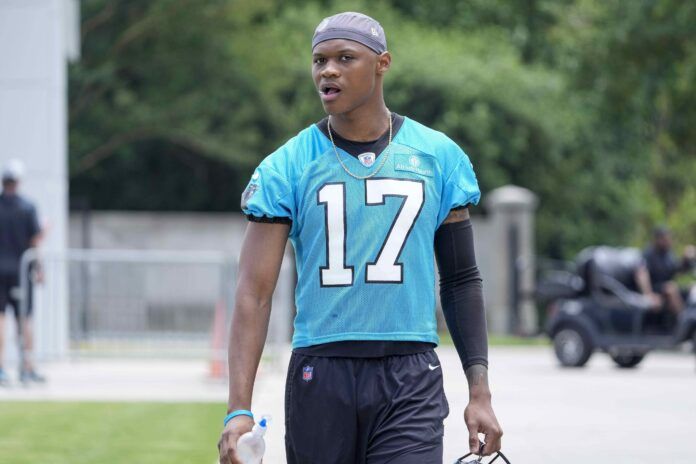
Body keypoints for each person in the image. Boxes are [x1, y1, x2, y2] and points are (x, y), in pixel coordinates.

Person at [218, 12, 502, 464]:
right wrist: (238, 410)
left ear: (382, 63)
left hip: (410, 372)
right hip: (320, 372)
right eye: (319, 60)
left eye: (344, 58)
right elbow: (253, 293)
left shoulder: (438, 157)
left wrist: (479, 392)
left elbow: (462, 279)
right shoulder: (286, 166)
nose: (327, 70)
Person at [0, 159, 45, 385]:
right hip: (19, 271)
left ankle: (1, 368)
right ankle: (27, 366)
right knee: (24, 320)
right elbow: (35, 240)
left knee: (1, 319)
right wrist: (39, 268)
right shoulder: (27, 208)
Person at [640, 226, 696, 314]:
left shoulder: (668, 254)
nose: (669, 241)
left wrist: (686, 260)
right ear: (658, 239)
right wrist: (649, 295)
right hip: (655, 287)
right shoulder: (648, 254)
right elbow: (642, 274)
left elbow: (676, 270)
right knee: (670, 288)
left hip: (668, 285)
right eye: (665, 239)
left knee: (691, 287)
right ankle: (682, 320)